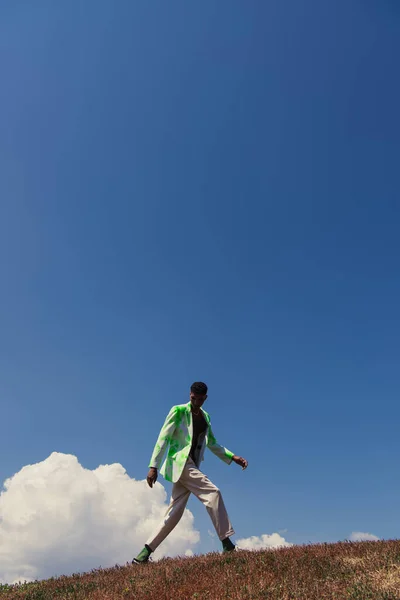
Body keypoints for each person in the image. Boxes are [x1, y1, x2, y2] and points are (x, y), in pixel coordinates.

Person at [133, 381, 248, 564]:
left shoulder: (206, 417)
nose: (196, 402)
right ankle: (227, 543)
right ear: (190, 395)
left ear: (205, 398)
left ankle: (143, 554)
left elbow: (211, 443)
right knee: (213, 493)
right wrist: (153, 466)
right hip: (180, 463)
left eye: (201, 400)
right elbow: (163, 437)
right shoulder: (178, 411)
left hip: (192, 465)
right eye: (194, 398)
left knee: (174, 514)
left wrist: (232, 457)